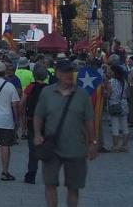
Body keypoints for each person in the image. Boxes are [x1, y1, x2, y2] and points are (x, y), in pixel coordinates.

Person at [34, 61, 97, 207]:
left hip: (76, 148)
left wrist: (92, 142)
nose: (69, 75)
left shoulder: (82, 95)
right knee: (50, 184)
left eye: (71, 72)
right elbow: (39, 115)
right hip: (52, 147)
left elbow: (89, 120)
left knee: (73, 187)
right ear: (58, 74)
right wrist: (37, 134)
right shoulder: (47, 93)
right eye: (66, 72)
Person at [20, 67, 48, 184]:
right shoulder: (50, 89)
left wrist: (21, 116)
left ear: (34, 76)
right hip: (47, 122)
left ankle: (31, 175)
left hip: (32, 121)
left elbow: (22, 102)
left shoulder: (30, 87)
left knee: (33, 149)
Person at [107, 64, 129, 152]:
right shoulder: (124, 81)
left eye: (110, 71)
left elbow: (108, 94)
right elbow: (128, 94)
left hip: (114, 104)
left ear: (114, 72)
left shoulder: (111, 82)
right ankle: (125, 146)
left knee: (115, 126)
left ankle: (116, 146)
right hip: (124, 104)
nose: (109, 72)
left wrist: (105, 93)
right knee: (125, 126)